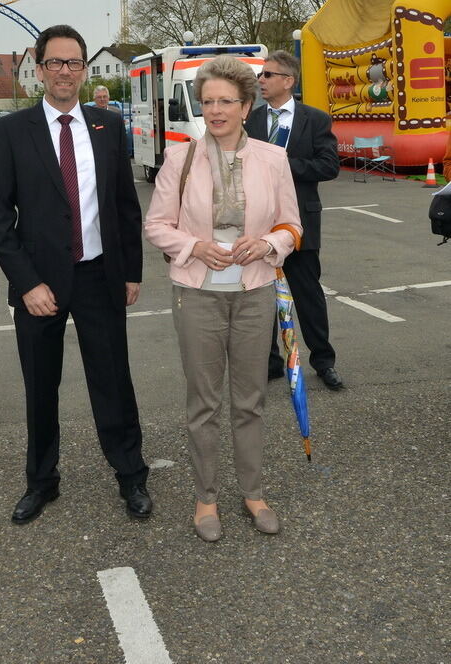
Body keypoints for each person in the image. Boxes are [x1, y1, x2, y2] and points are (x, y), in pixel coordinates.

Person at [0, 25, 152, 525]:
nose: (65, 71)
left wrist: (131, 272)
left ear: (83, 69)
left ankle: (131, 475)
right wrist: (26, 284)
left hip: (100, 276)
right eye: (55, 63)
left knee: (113, 380)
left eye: (74, 62)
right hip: (39, 284)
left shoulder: (107, 125)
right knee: (41, 385)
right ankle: (41, 482)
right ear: (39, 70)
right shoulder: (12, 132)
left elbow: (125, 206)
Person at [144, 55, 302, 542]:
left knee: (250, 401)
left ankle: (253, 493)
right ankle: (205, 497)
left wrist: (270, 244)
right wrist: (195, 246)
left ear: (246, 105)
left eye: (225, 102)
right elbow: (155, 226)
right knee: (204, 404)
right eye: (207, 101)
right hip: (197, 297)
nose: (215, 111)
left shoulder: (273, 160)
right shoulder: (180, 158)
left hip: (254, 293)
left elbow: (294, 226)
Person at [245, 50, 343, 390]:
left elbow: (329, 166)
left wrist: (282, 165)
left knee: (308, 295)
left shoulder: (314, 120)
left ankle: (324, 362)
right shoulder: (252, 120)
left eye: (268, 75)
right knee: (262, 296)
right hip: (259, 226)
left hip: (299, 223)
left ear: (288, 81)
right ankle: (270, 362)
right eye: (261, 74)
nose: (261, 80)